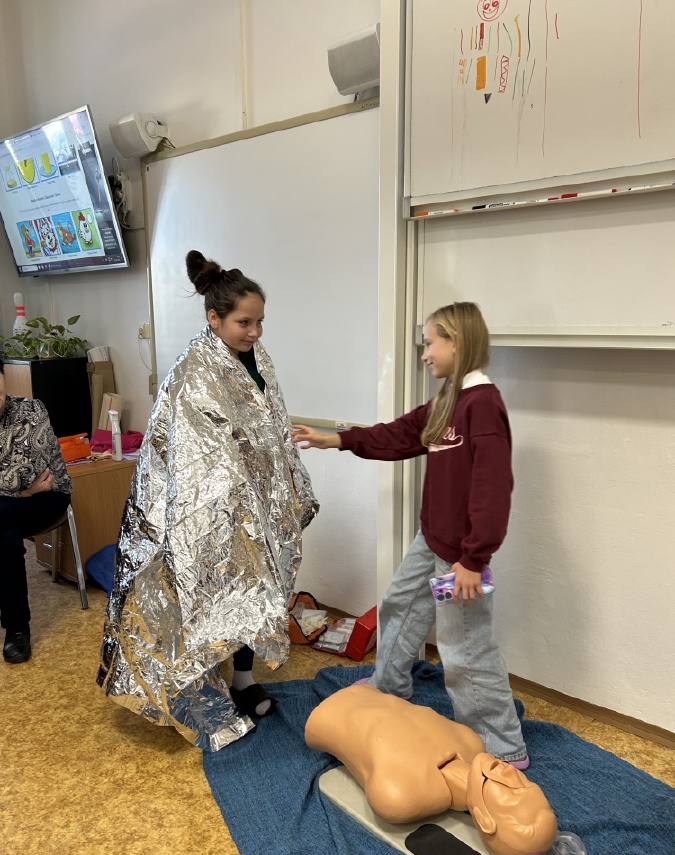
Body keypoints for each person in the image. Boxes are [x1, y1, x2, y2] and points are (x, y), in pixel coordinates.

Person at [97, 250, 318, 751]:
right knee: (208, 595)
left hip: (257, 499)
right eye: (244, 322)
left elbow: (269, 426)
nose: (255, 332)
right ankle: (204, 697)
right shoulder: (193, 371)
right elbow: (194, 455)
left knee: (254, 589)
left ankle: (244, 680)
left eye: (260, 322)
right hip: (199, 510)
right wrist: (231, 505)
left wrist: (285, 486)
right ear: (213, 318)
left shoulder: (257, 359)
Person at [292, 302, 528, 768]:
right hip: (432, 540)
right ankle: (389, 686)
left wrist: (473, 560)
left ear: (457, 341)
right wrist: (335, 439)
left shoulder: (483, 405)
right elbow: (398, 435)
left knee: (465, 649)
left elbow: (492, 490)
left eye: (430, 343)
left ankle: (503, 749)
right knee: (399, 605)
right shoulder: (448, 401)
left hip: (460, 558)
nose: (425, 354)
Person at [305, 684, 557, 855]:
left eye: (512, 794)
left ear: (484, 820)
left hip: (324, 714)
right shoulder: (471, 743)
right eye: (526, 783)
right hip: (371, 689)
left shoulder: (402, 797)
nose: (512, 774)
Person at [0, 359, 71, 663]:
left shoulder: (31, 410)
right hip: (10, 508)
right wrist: (20, 490)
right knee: (6, 536)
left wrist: (24, 491)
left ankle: (15, 627)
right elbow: (16, 484)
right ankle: (17, 630)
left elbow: (24, 475)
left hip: (47, 498)